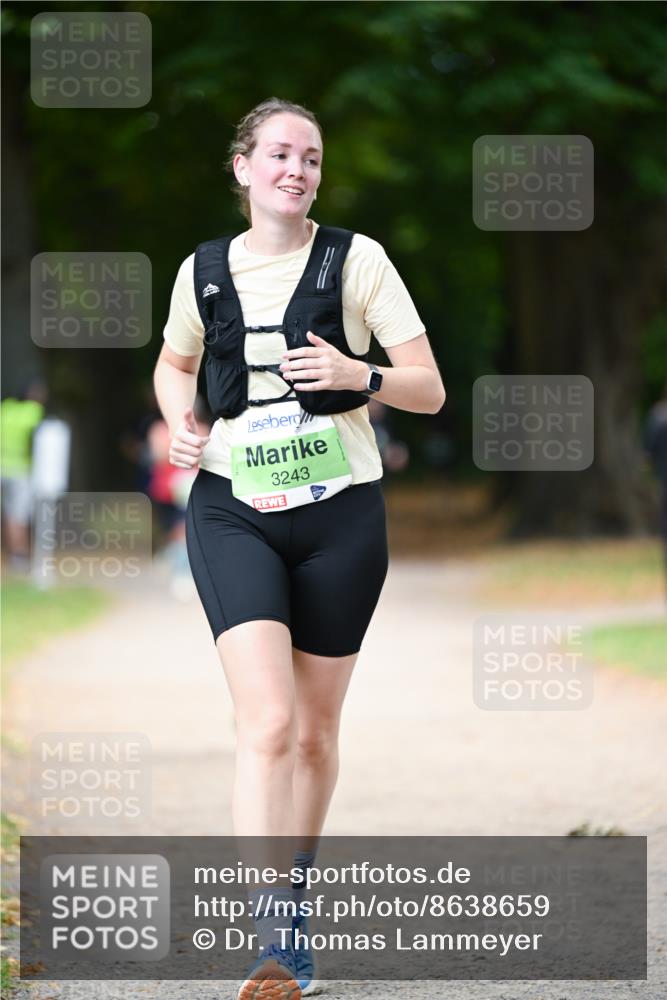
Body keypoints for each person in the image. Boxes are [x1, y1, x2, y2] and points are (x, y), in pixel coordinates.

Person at [153, 97, 445, 1000]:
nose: (296, 169)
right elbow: (173, 365)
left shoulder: (357, 261)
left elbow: (430, 389)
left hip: (340, 517)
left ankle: (297, 897)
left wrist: (363, 376)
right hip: (233, 508)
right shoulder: (203, 272)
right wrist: (182, 425)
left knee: (315, 735)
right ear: (242, 168)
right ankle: (271, 938)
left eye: (310, 158)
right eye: (279, 153)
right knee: (269, 723)